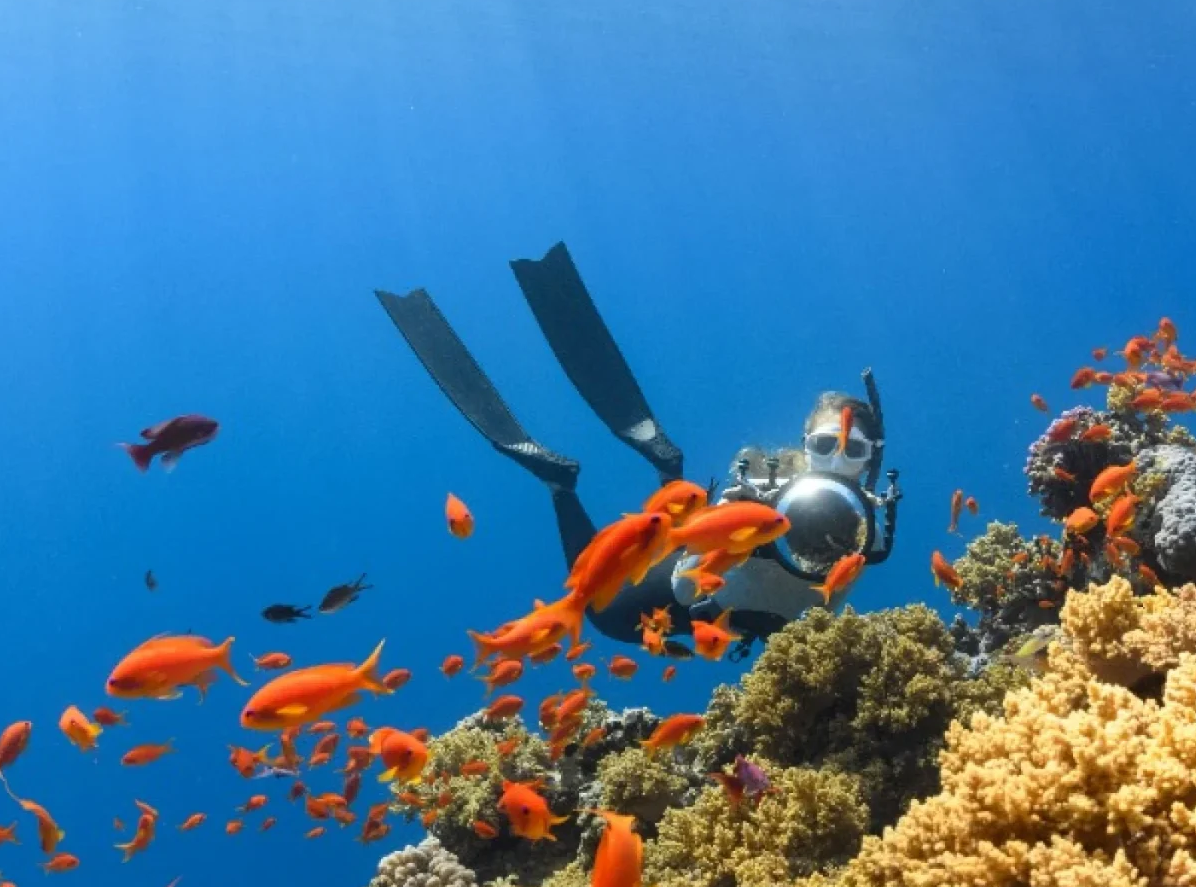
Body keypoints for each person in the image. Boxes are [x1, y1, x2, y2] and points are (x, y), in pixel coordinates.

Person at [376, 243, 900, 653]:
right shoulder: (769, 485)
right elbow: (691, 579)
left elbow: (827, 604)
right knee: (600, 611)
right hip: (690, 594)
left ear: (872, 459)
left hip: (756, 625)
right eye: (825, 444)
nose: (837, 458)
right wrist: (730, 522)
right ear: (805, 443)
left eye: (853, 451)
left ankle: (658, 473)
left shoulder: (869, 524)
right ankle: (570, 484)